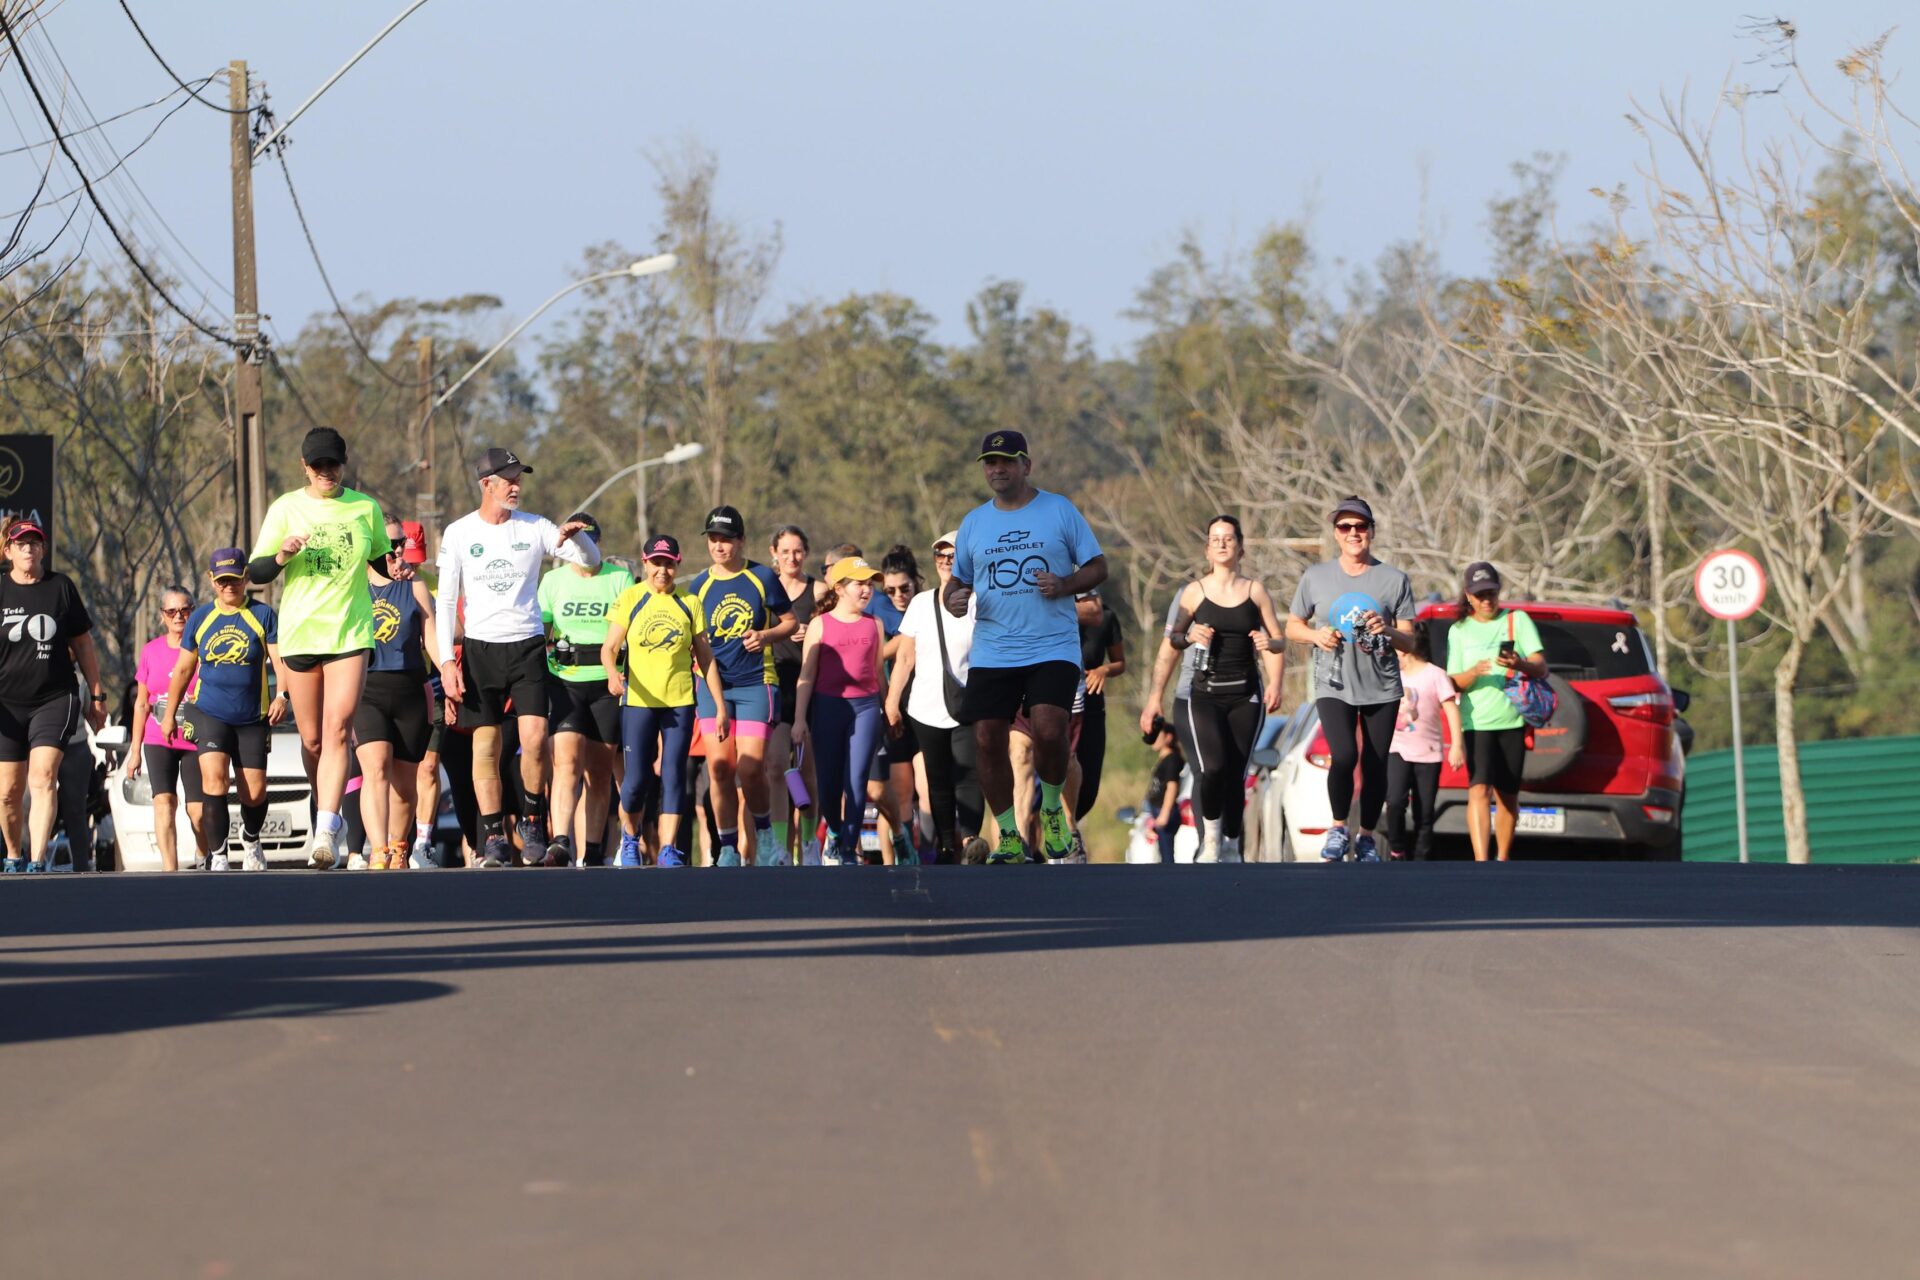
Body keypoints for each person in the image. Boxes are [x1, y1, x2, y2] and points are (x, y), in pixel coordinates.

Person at [945, 430, 1106, 864]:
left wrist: (1066, 584)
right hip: (994, 648)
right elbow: (956, 582)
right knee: (987, 738)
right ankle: (1011, 837)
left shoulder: (1058, 509)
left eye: (1007, 462)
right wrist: (954, 598)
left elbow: (1098, 566)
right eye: (990, 463)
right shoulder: (975, 522)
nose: (997, 469)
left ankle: (1052, 808)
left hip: (1051, 644)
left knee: (1049, 730)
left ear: (1026, 465)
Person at [436, 447, 600, 868]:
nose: (516, 486)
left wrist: (575, 536)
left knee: (533, 742)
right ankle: (492, 836)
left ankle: (532, 819)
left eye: (519, 479)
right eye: (508, 479)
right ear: (485, 484)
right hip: (479, 648)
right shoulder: (458, 533)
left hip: (526, 645)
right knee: (485, 745)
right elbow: (446, 601)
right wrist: (447, 662)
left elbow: (592, 562)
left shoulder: (535, 527)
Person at [247, 426, 390, 868]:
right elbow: (256, 571)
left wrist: (399, 580)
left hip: (349, 633)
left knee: (337, 729)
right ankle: (326, 812)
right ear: (305, 467)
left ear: (344, 464)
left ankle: (326, 826)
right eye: (318, 466)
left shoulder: (366, 508)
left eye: (334, 464)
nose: (327, 472)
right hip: (301, 633)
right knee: (311, 740)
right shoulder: (286, 508)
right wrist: (284, 555)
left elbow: (381, 562)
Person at [1284, 496, 1417, 863]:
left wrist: (1386, 629)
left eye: (1360, 526)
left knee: (1375, 765)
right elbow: (1293, 626)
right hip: (1334, 683)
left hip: (1382, 685)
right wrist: (1316, 636)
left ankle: (1367, 836)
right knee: (1343, 756)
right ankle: (1339, 828)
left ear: (1371, 531)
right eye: (1345, 527)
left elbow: (1410, 640)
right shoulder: (1316, 577)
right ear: (1336, 534)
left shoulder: (1394, 580)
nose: (1353, 533)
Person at [160, 548, 292, 872]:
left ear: (245, 576)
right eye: (222, 581)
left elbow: (280, 661)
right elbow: (183, 670)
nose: (228, 586)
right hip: (209, 713)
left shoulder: (262, 615)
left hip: (252, 717)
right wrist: (169, 714)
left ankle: (251, 839)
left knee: (255, 792)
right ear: (211, 580)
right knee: (214, 780)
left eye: (234, 579)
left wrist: (283, 696)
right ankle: (218, 854)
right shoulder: (201, 618)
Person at [1165, 516, 1286, 862]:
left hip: (1246, 694)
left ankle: (1232, 843)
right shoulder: (1194, 592)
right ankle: (1213, 839)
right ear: (1207, 549)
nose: (1221, 544)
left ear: (1240, 548)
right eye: (1215, 539)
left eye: (1228, 538)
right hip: (1204, 694)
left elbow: (1279, 639)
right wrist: (1188, 636)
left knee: (1236, 773)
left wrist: (1270, 645)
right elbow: (1173, 638)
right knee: (1213, 767)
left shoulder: (1255, 590)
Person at [603, 534, 727, 868]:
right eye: (657, 563)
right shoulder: (631, 597)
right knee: (635, 781)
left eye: (669, 564)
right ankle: (630, 839)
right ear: (645, 563)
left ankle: (669, 848)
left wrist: (719, 706)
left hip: (679, 702)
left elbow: (706, 657)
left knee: (673, 775)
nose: (663, 570)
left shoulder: (690, 602)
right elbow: (610, 647)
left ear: (677, 565)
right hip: (639, 702)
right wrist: (613, 674)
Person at [687, 505, 797, 867]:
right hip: (712, 686)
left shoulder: (762, 577)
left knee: (750, 767)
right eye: (714, 540)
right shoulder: (699, 585)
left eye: (727, 540)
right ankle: (728, 847)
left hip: (755, 682)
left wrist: (765, 635)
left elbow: (790, 623)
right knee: (718, 768)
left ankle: (765, 838)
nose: (719, 547)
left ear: (742, 540)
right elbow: (693, 639)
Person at [0, 517, 107, 873]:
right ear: (8, 551)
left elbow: (83, 644)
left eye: (35, 542)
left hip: (54, 699)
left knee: (43, 777)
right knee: (8, 792)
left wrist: (96, 695)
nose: (29, 548)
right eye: (21, 543)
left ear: (43, 549)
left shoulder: (60, 587)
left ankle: (36, 859)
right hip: (7, 705)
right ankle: (14, 853)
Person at [538, 513, 634, 867]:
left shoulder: (619, 579)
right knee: (566, 763)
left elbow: (630, 632)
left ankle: (593, 849)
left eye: (588, 542)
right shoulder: (552, 581)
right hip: (564, 679)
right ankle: (561, 840)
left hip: (608, 682)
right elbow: (541, 632)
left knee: (599, 770)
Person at [887, 529, 984, 865]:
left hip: (968, 702)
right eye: (940, 556)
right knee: (937, 776)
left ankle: (971, 841)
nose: (945, 561)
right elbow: (904, 657)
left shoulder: (978, 601)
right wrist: (891, 702)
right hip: (925, 705)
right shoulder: (920, 603)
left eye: (952, 555)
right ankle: (945, 844)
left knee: (968, 773)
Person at [1445, 561, 1546, 862]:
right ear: (1468, 596)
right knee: (1479, 789)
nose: (1486, 600)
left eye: (1491, 592)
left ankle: (1502, 859)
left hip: (1512, 720)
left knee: (1507, 794)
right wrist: (1474, 672)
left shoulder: (1518, 620)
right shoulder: (1459, 631)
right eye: (1479, 595)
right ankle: (1481, 861)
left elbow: (1541, 667)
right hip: (1476, 722)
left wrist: (1520, 664)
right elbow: (1451, 682)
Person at [355, 518, 440, 870]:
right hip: (367, 688)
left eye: (400, 544)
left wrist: (447, 670)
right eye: (388, 544)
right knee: (375, 769)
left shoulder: (415, 584)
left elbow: (431, 633)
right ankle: (377, 850)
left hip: (409, 689)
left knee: (406, 785)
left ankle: (398, 846)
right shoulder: (354, 585)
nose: (395, 551)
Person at [793, 556, 890, 865]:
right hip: (828, 707)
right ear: (839, 587)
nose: (866, 590)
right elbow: (806, 675)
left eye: (870, 584)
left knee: (857, 780)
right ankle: (834, 831)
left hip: (865, 708)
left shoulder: (875, 624)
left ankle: (849, 847)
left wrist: (889, 710)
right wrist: (798, 720)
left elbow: (877, 674)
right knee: (830, 783)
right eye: (859, 584)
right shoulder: (820, 625)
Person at [128, 585, 206, 872]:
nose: (179, 616)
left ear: (193, 612)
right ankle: (169, 871)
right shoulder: (151, 651)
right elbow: (141, 704)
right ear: (162, 615)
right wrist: (135, 751)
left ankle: (203, 853)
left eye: (185, 610)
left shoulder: (202, 648)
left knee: (197, 812)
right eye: (172, 611)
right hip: (157, 738)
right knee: (164, 802)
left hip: (195, 738)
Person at [767, 524, 826, 863]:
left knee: (806, 773)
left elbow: (836, 627)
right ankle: (778, 847)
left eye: (798, 551)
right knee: (775, 766)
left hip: (809, 686)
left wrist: (813, 630)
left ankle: (808, 843)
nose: (792, 557)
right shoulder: (764, 588)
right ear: (774, 553)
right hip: (774, 683)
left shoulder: (818, 591)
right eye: (785, 551)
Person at [1386, 625, 1465, 860]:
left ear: (1407, 648)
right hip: (1397, 748)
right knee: (1395, 801)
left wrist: (1457, 747)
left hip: (1429, 752)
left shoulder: (1435, 675)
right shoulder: (1391, 674)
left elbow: (1451, 710)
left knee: (1425, 810)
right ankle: (1397, 850)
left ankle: (1422, 858)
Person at [870, 545, 926, 865]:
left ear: (916, 581)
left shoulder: (929, 604)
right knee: (899, 791)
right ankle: (893, 864)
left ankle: (936, 853)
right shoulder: (877, 608)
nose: (898, 595)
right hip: (894, 705)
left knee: (928, 785)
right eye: (890, 589)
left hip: (930, 705)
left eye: (904, 588)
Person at [1073, 588, 1126, 822]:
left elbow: (1120, 663)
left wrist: (1103, 670)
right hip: (1056, 705)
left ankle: (1070, 831)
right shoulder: (1055, 615)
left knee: (1088, 783)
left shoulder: (1106, 617)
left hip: (1092, 705)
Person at [1143, 716, 1185, 863]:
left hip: (1165, 809)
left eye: (1157, 735)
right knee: (1162, 852)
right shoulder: (1164, 759)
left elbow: (1172, 786)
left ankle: (1169, 881)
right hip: (1157, 809)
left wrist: (1165, 813)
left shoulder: (1172, 759)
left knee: (1167, 853)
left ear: (1168, 737)